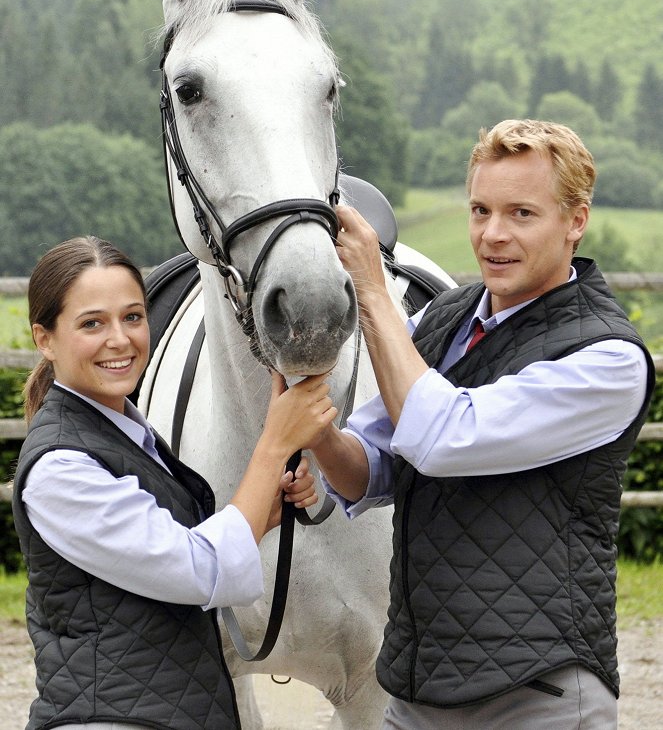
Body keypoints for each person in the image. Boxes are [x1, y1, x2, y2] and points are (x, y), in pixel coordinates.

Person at [310, 119, 655, 730]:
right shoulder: (443, 317)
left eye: (522, 213)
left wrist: (370, 288)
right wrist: (313, 427)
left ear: (576, 221)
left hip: (538, 697)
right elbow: (372, 466)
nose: (493, 235)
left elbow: (444, 437)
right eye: (480, 210)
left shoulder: (608, 359)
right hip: (418, 690)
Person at [12, 235, 337, 730]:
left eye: (133, 317)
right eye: (92, 323)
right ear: (45, 339)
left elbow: (170, 554)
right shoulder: (61, 468)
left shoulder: (124, 432)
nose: (120, 338)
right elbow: (201, 570)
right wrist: (273, 445)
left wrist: (267, 512)